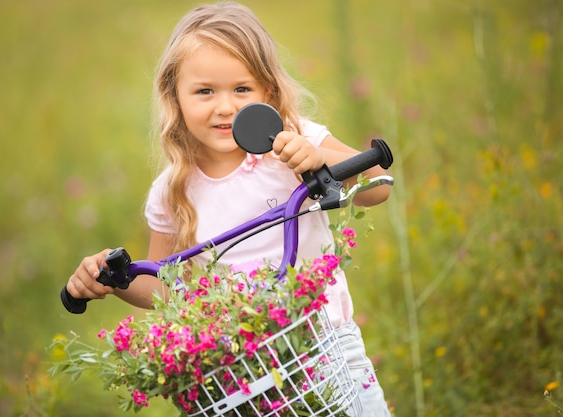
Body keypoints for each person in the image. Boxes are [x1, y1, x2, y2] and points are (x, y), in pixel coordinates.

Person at [65, 2, 391, 416]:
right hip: (242, 365)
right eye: (204, 91)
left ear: (267, 93)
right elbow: (165, 286)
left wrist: (317, 160)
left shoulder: (294, 142)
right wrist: (114, 279)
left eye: (242, 89)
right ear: (175, 97)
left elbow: (377, 184)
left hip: (326, 343)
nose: (225, 107)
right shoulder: (172, 190)